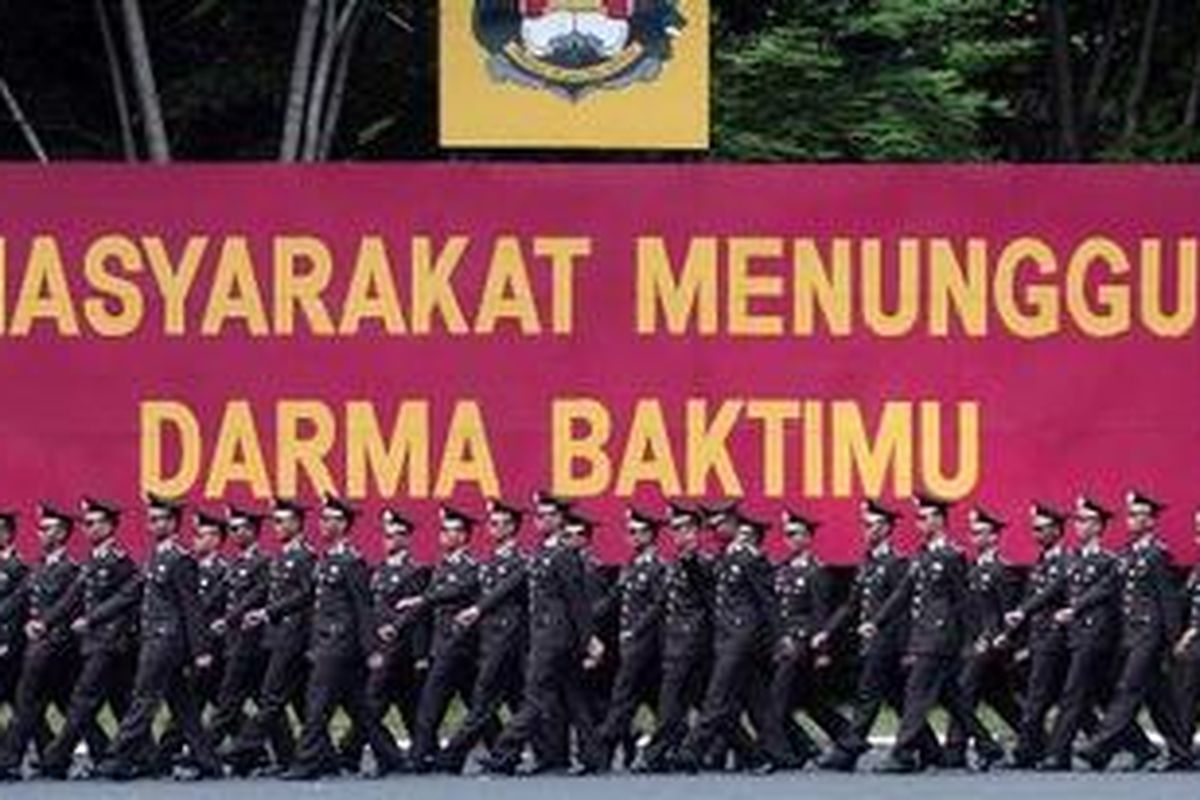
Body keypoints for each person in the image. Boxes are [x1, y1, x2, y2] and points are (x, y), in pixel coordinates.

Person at [868, 495, 1003, 773]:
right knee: (952, 698)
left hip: (941, 636)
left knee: (916, 693)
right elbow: (903, 592)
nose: (919, 522)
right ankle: (988, 746)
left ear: (939, 520)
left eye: (924, 517)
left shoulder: (952, 556)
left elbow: (964, 600)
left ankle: (902, 754)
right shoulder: (924, 554)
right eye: (918, 517)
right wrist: (877, 621)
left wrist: (977, 636)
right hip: (925, 633)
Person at [97, 494, 222, 780]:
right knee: (183, 706)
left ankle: (119, 757)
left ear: (173, 522)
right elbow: (132, 595)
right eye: (151, 519)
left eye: (160, 519)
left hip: (166, 641)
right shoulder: (156, 556)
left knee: (143, 698)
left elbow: (192, 608)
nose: (153, 524)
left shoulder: (179, 560)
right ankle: (208, 761)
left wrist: (201, 650)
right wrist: (96, 617)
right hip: (157, 638)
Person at [481, 495, 600, 775]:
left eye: (549, 515)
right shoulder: (541, 552)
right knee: (573, 697)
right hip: (544, 633)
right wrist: (480, 608)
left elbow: (577, 601)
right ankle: (592, 756)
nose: (542, 520)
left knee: (534, 695)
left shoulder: (564, 553)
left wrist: (589, 639)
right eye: (539, 515)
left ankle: (504, 752)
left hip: (556, 637)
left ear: (560, 520)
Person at [816, 500, 938, 772]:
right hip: (874, 641)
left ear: (885, 528)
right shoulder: (868, 562)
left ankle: (849, 750)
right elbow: (851, 604)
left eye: (871, 525)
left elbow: (906, 607)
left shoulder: (897, 563)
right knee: (898, 699)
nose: (866, 531)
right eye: (864, 525)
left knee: (867, 694)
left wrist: (909, 647)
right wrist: (827, 630)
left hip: (890, 641)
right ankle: (931, 749)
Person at [1077, 491, 1194, 772]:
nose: (1131, 519)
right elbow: (1108, 587)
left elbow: (1168, 601)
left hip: (1150, 634)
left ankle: (1100, 746)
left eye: (1138, 515)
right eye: (1130, 514)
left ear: (1151, 521)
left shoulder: (1157, 554)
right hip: (1131, 635)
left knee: (1128, 688)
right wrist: (1078, 606)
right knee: (1158, 698)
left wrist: (1175, 639)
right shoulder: (1128, 553)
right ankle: (1181, 753)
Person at [41, 497, 141, 779]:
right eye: (85, 523)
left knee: (82, 699)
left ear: (110, 526)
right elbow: (72, 597)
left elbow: (127, 599)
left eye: (94, 523)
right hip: (95, 643)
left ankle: (55, 760)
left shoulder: (120, 561)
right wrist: (45, 622)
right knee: (121, 702)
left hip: (110, 643)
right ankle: (144, 756)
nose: (88, 528)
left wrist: (92, 619)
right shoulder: (92, 561)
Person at [223, 498, 315, 775]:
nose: (276, 526)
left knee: (272, 697)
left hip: (295, 637)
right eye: (274, 520)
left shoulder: (304, 556)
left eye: (282, 520)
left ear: (297, 523)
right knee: (301, 702)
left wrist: (267, 613)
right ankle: (300, 757)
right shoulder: (282, 556)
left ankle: (242, 748)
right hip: (277, 638)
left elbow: (305, 595)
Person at [0, 505, 89, 781]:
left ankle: (9, 761)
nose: (41, 533)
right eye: (40, 528)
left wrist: (44, 625)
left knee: (27, 702)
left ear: (62, 533)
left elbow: (69, 605)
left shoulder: (71, 569)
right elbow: (17, 602)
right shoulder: (39, 566)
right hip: (40, 647)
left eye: (47, 528)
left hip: (57, 647)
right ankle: (75, 755)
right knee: (65, 704)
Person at [441, 499, 529, 772]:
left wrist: (477, 609)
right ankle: (515, 756)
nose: (494, 528)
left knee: (484, 698)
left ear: (513, 527)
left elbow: (500, 592)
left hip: (508, 638)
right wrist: (424, 599)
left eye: (500, 523)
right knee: (521, 701)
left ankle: (452, 756)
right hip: (492, 640)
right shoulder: (490, 560)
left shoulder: (520, 560)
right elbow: (466, 586)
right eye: (492, 523)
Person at [403, 506, 481, 773]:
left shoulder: (470, 566)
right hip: (444, 644)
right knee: (478, 706)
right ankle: (500, 751)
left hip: (458, 645)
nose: (444, 536)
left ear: (463, 536)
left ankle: (418, 758)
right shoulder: (443, 565)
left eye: (450, 531)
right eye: (443, 530)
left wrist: (422, 599)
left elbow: (455, 592)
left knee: (430, 704)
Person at [943, 506, 1023, 768]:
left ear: (994, 537)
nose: (974, 538)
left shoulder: (1002, 570)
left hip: (991, 645)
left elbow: (1009, 612)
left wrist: (996, 638)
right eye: (972, 533)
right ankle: (1035, 740)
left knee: (961, 693)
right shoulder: (974, 568)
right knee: (999, 698)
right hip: (973, 643)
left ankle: (957, 750)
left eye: (980, 533)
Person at [589, 507, 666, 771]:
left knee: (622, 698)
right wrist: (586, 623)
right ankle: (667, 747)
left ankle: (600, 755)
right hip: (631, 644)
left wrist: (637, 629)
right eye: (629, 532)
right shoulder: (631, 564)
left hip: (645, 644)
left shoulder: (656, 567)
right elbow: (614, 600)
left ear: (650, 534)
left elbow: (659, 606)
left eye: (636, 532)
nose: (631, 536)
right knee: (657, 704)